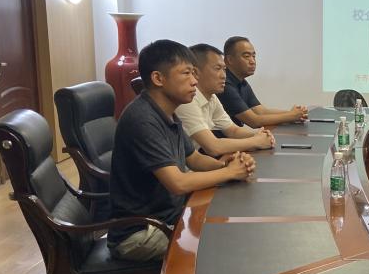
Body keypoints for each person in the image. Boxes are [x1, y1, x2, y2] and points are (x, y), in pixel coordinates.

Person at [108, 40, 256, 262]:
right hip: (141, 234)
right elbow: (178, 183)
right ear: (158, 78)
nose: (195, 81)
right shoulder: (142, 119)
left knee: (230, 227)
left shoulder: (168, 112)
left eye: (194, 73)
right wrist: (228, 173)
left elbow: (194, 158)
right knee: (224, 244)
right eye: (186, 73)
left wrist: (227, 165)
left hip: (168, 217)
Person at [175, 43, 275, 156]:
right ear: (196, 73)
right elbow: (213, 147)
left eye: (224, 69)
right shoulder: (187, 101)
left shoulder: (212, 97)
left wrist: (260, 135)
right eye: (217, 69)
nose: (223, 75)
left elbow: (232, 130)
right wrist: (256, 141)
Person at [218, 36, 308, 127]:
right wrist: (291, 116)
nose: (252, 61)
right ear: (230, 60)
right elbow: (254, 121)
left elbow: (261, 112)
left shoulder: (242, 82)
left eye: (254, 56)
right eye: (247, 56)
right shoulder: (224, 84)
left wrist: (294, 113)